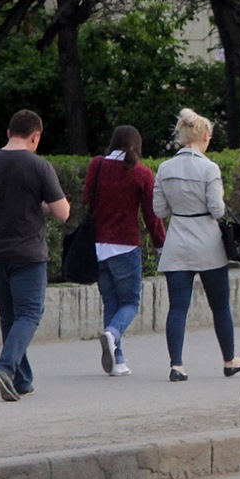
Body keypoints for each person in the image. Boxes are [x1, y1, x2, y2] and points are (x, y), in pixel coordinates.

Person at [152, 109, 240, 382]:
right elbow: (217, 211)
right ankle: (230, 360)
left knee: (178, 307)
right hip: (207, 243)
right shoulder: (209, 168)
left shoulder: (165, 168)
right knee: (220, 306)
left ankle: (177, 365)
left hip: (178, 241)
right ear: (204, 136)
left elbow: (159, 210)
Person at [0, 110, 71, 401]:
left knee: (10, 317)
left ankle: (22, 381)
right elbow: (63, 212)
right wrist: (45, 205)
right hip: (28, 253)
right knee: (30, 313)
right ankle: (5, 366)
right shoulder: (38, 166)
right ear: (35, 136)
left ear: (9, 132)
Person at [86, 126, 166, 377]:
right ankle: (113, 334)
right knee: (130, 302)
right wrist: (160, 244)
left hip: (98, 246)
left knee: (111, 302)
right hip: (126, 246)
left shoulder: (97, 165)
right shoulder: (141, 173)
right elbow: (151, 215)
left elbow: (87, 197)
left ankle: (117, 359)